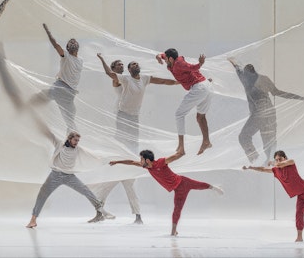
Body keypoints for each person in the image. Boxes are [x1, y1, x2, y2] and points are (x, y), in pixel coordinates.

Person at [87, 53, 180, 224]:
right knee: (113, 180)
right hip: (123, 115)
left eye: (134, 64)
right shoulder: (123, 79)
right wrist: (102, 60)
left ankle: (134, 216)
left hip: (132, 122)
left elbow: (162, 81)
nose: (134, 65)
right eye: (130, 65)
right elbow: (111, 75)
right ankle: (107, 213)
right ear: (128, 70)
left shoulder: (142, 78)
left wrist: (178, 82)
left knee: (123, 183)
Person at [110, 149, 223, 236]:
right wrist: (117, 162)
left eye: (141, 159)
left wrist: (180, 154)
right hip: (177, 190)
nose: (140, 161)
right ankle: (174, 231)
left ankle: (214, 187)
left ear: (147, 160)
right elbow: (131, 162)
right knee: (177, 209)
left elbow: (172, 158)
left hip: (183, 182)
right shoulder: (147, 167)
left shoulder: (160, 162)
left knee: (199, 185)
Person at [228, 57, 304, 163]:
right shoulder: (248, 79)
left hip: (265, 114)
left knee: (264, 141)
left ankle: (261, 160)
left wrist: (301, 98)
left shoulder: (259, 80)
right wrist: (232, 61)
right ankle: (259, 160)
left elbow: (278, 92)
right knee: (259, 140)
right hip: (264, 114)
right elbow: (238, 68)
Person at [26, 131, 106, 228]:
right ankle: (33, 220)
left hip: (69, 176)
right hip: (55, 176)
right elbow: (50, 135)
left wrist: (106, 160)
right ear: (69, 139)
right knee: (42, 194)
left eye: (78, 140)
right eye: (75, 140)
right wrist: (39, 126)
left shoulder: (78, 149)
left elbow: (92, 155)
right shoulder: (60, 144)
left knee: (85, 190)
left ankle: (100, 211)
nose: (77, 142)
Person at [156, 48, 213, 155]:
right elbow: (161, 55)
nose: (165, 61)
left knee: (179, 114)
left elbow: (192, 67)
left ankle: (181, 146)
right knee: (200, 117)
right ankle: (206, 141)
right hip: (206, 86)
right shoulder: (172, 60)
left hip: (199, 88)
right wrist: (159, 56)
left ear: (171, 59)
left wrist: (200, 64)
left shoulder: (179, 63)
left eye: (166, 59)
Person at [30, 23, 82, 133]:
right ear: (67, 48)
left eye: (74, 41)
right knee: (42, 96)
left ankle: (72, 135)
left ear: (78, 47)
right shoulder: (66, 56)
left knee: (70, 119)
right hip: (60, 88)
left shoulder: (80, 61)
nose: (73, 42)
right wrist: (48, 31)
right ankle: (26, 108)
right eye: (70, 42)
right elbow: (56, 45)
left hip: (70, 93)